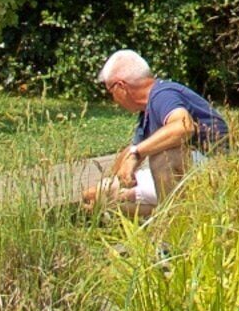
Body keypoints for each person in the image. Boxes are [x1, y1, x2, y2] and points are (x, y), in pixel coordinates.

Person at [90, 50, 227, 210]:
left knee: (163, 157)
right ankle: (162, 223)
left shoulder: (163, 95)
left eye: (110, 92)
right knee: (98, 195)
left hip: (216, 172)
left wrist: (137, 153)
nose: (113, 100)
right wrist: (115, 179)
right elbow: (129, 153)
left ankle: (176, 223)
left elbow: (183, 127)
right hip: (192, 172)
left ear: (121, 87)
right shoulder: (147, 111)